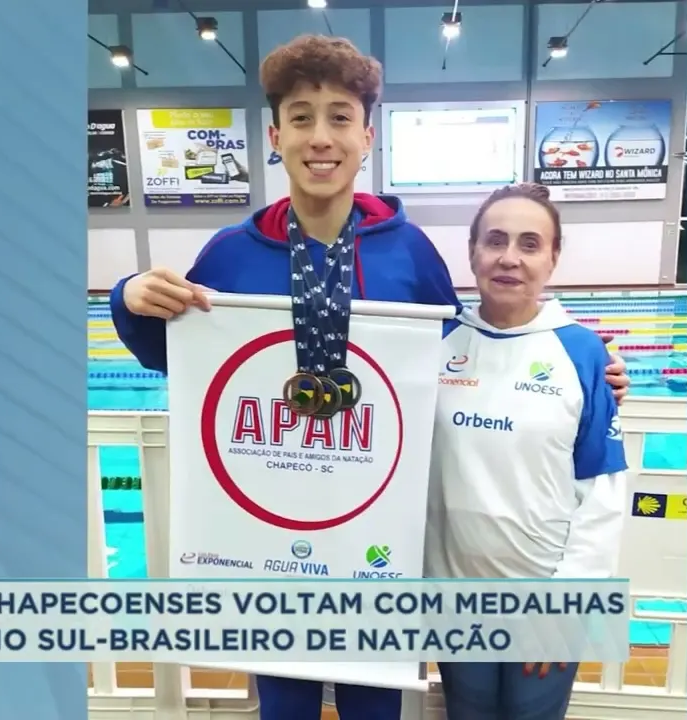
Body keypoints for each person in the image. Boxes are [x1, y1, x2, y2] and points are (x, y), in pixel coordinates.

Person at [109, 34, 630, 720]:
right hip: (273, 546)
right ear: (274, 134)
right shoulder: (232, 255)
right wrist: (130, 296)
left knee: (375, 710)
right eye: (301, 117)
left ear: (366, 135)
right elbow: (175, 354)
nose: (320, 137)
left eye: (339, 117)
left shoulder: (408, 253)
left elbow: (455, 359)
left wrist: (589, 372)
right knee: (284, 710)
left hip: (373, 543)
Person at [425, 183, 629, 720]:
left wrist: (566, 607)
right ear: (472, 252)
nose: (509, 258)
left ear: (553, 258)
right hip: (457, 596)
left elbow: (603, 490)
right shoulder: (435, 341)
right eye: (494, 241)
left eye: (530, 244)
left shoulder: (582, 351)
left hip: (546, 596)